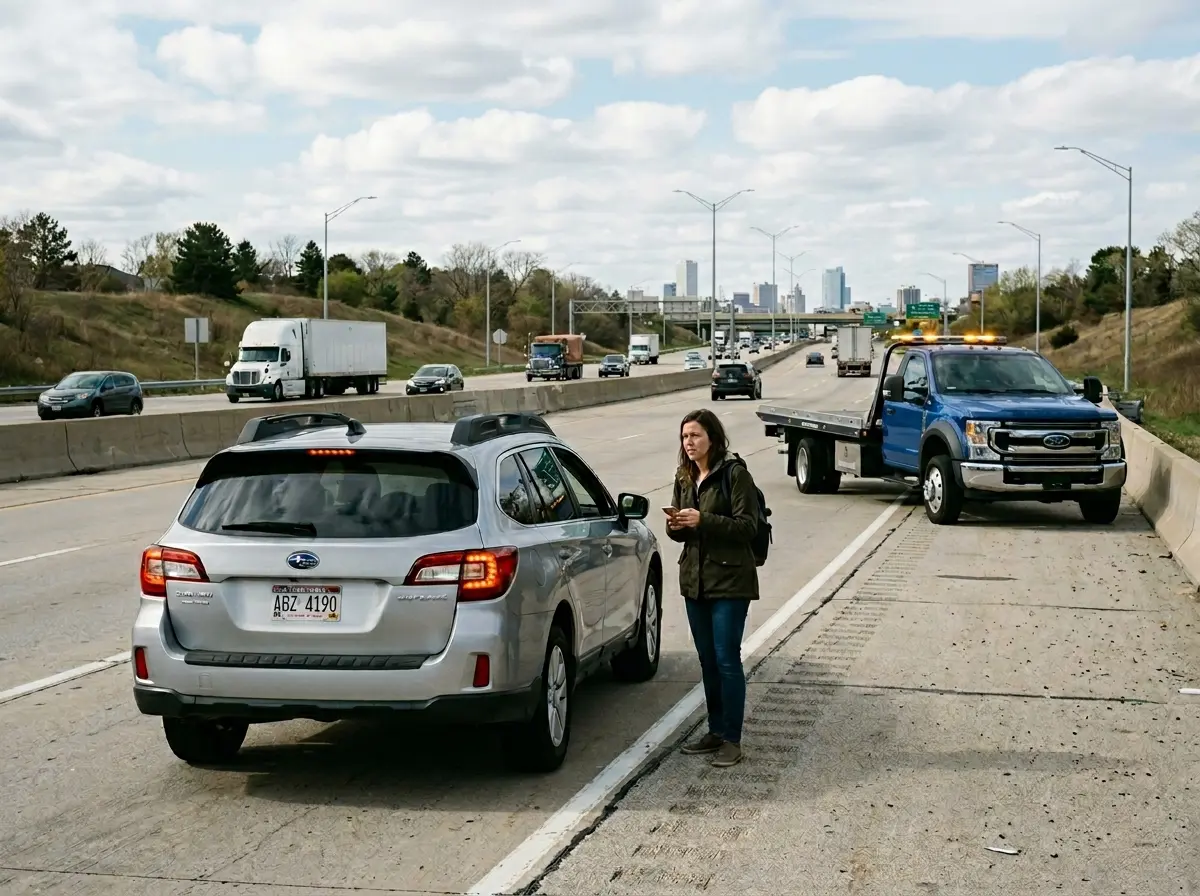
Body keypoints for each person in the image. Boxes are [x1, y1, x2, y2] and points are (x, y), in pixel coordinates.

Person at [664, 408, 760, 768]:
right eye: (685, 437)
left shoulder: (735, 474)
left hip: (730, 581)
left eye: (695, 436)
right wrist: (677, 525)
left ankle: (732, 740)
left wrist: (703, 519)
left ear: (713, 439)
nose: (689, 443)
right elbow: (684, 536)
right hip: (696, 582)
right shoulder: (684, 477)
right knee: (707, 662)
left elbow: (747, 526)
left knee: (726, 659)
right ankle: (715, 731)